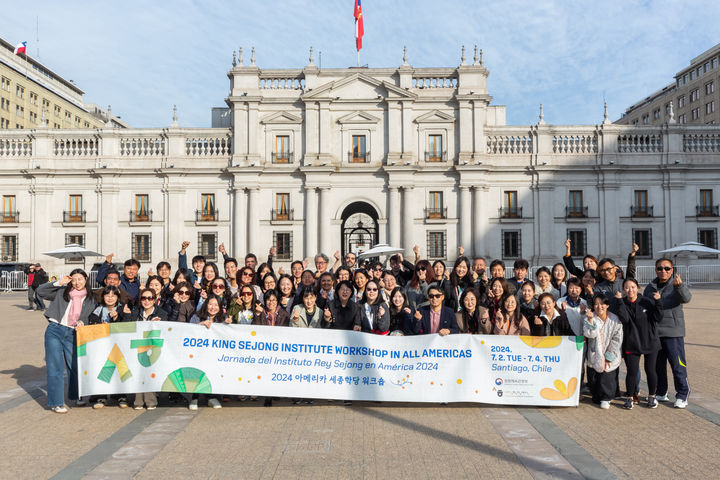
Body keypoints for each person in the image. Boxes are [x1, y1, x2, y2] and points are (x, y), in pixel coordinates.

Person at [37, 269, 97, 413]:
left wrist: (83, 321)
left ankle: (77, 395)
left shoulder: (91, 298)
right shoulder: (62, 292)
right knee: (55, 367)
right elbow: (40, 291)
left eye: (80, 279)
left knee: (74, 365)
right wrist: (58, 283)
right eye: (74, 279)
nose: (77, 283)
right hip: (55, 330)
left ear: (86, 279)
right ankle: (56, 402)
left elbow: (89, 315)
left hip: (73, 332)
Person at [643, 258, 692, 408]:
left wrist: (680, 287)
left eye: (667, 268)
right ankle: (661, 392)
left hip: (673, 332)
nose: (663, 271)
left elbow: (687, 298)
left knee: (677, 365)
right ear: (655, 270)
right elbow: (646, 307)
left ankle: (682, 394)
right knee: (658, 366)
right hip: (656, 332)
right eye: (660, 268)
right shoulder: (650, 287)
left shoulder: (676, 284)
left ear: (672, 270)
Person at [615, 278, 663, 409]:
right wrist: (619, 301)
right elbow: (624, 319)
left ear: (637, 288)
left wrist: (658, 301)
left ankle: (652, 396)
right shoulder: (622, 303)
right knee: (632, 371)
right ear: (623, 289)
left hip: (650, 341)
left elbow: (658, 317)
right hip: (632, 342)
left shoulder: (646, 302)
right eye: (627, 287)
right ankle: (630, 397)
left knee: (651, 370)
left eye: (633, 287)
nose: (630, 290)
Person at [584, 295, 624, 409]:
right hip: (594, 353)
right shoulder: (589, 318)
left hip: (610, 352)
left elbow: (617, 338)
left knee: (607, 377)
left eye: (602, 304)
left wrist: (609, 355)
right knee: (594, 379)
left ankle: (607, 398)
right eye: (596, 304)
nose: (599, 307)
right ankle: (596, 396)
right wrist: (591, 320)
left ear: (607, 305)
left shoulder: (614, 319)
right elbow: (589, 334)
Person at [189, 296, 228, 409]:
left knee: (213, 373)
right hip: (198, 353)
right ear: (206, 305)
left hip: (216, 354)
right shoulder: (196, 317)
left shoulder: (223, 318)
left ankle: (212, 398)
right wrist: (199, 326)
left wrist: (228, 324)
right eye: (210, 304)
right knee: (197, 372)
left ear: (220, 307)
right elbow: (189, 332)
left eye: (216, 305)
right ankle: (194, 398)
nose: (213, 307)